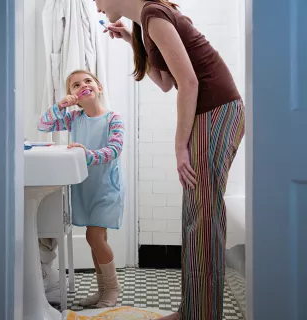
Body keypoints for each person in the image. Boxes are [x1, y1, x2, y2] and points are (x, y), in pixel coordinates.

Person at [93, 0, 245, 319]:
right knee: (195, 216)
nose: (95, 6)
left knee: (203, 217)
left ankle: (202, 314)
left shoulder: (153, 14)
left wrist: (179, 147)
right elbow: (165, 83)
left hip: (216, 111)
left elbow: (189, 83)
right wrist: (130, 40)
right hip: (210, 113)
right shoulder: (147, 24)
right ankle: (191, 309)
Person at [37, 70, 125, 308]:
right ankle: (102, 290)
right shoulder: (74, 118)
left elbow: (115, 149)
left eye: (88, 81)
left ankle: (113, 289)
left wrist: (87, 155)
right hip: (85, 187)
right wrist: (60, 105)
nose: (83, 86)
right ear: (73, 94)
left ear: (99, 87)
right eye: (76, 85)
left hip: (106, 187)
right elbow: (43, 124)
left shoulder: (112, 118)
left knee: (94, 236)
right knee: (96, 240)